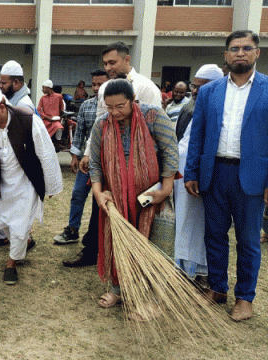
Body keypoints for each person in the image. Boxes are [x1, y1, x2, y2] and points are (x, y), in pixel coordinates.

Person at [185, 30, 268, 322]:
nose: (240, 53)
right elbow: (198, 134)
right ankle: (218, 288)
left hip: (252, 176)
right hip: (215, 172)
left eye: (247, 47)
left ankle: (245, 298)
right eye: (234, 48)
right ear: (226, 55)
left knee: (248, 240)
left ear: (257, 52)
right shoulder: (210, 91)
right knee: (215, 235)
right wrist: (192, 171)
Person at [89, 79, 178, 316]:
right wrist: (98, 192)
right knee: (118, 243)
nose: (115, 112)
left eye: (120, 106)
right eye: (109, 107)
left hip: (152, 197)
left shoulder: (154, 116)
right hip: (116, 197)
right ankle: (119, 289)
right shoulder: (102, 124)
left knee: (155, 246)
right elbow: (96, 163)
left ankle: (152, 300)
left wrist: (165, 189)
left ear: (133, 101)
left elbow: (170, 151)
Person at [0, 87, 63, 285]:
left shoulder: (28, 119)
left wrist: (52, 185)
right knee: (2, 222)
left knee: (19, 225)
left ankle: (11, 263)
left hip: (26, 181)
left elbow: (46, 153)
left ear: (2, 107)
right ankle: (25, 243)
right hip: (1, 183)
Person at [173, 64, 224, 285]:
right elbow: (183, 144)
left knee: (205, 227)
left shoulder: (220, 109)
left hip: (208, 179)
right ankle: (185, 269)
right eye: (194, 86)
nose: (195, 91)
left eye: (201, 87)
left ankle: (203, 271)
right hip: (184, 177)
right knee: (185, 223)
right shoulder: (189, 108)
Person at [79, 42, 162, 174]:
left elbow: (157, 128)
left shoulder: (146, 87)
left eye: (112, 63)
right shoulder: (104, 89)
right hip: (109, 157)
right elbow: (99, 123)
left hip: (141, 160)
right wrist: (88, 153)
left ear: (127, 59)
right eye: (105, 64)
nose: (107, 68)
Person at [56, 70, 109, 259]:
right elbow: (80, 134)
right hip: (87, 162)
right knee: (78, 194)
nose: (95, 88)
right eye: (93, 84)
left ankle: (97, 240)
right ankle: (72, 230)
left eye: (100, 84)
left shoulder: (113, 106)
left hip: (107, 164)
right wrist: (74, 156)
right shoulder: (86, 106)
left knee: (99, 204)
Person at [37, 80, 65, 145]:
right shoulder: (43, 98)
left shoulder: (59, 96)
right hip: (46, 120)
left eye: (43, 88)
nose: (42, 90)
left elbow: (62, 108)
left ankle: (58, 143)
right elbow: (38, 110)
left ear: (48, 88)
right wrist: (46, 117)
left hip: (56, 120)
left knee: (59, 127)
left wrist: (61, 116)